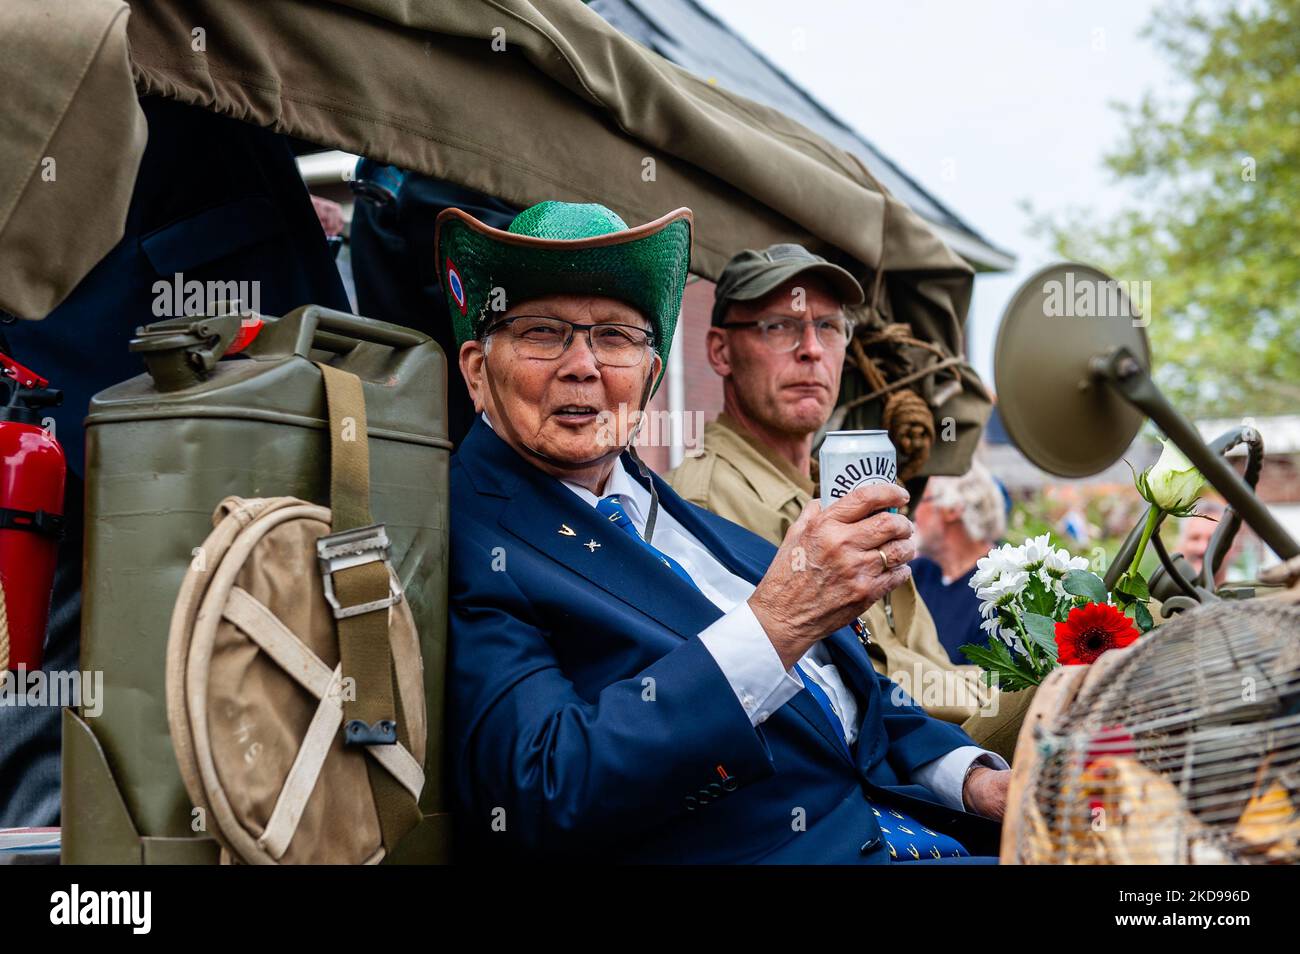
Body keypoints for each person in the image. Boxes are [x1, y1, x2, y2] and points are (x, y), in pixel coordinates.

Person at [442, 202, 1010, 863]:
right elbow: (541, 790)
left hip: (923, 829)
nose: (583, 366)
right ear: (478, 371)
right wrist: (779, 622)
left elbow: (855, 688)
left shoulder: (674, 508)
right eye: (542, 332)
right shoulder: (470, 534)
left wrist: (978, 781)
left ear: (651, 376)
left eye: (617, 338)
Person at [665, 244, 1022, 751]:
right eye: (779, 326)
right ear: (721, 351)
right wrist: (1010, 702)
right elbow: (818, 698)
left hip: (941, 739)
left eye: (829, 327)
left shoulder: (834, 490)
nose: (811, 349)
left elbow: (917, 653)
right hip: (892, 775)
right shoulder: (704, 502)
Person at [910, 462, 1008, 664]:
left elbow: (989, 686)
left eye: (920, 498)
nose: (912, 511)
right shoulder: (917, 573)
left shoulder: (1001, 588)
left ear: (952, 510)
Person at [1177, 500, 1241, 586]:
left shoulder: (1249, 595)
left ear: (1232, 548)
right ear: (1181, 544)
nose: (1202, 549)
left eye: (1213, 540)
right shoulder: (1166, 594)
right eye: (1195, 538)